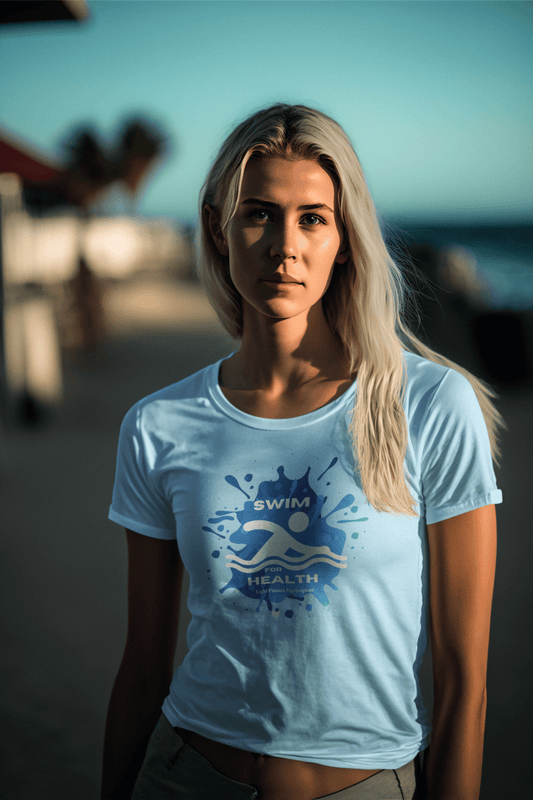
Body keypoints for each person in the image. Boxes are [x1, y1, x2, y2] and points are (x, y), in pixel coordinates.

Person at [102, 103, 503, 800]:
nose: (283, 245)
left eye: (312, 217)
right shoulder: (159, 423)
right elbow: (142, 666)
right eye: (257, 213)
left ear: (346, 238)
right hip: (185, 779)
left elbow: (463, 684)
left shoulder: (432, 406)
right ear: (218, 230)